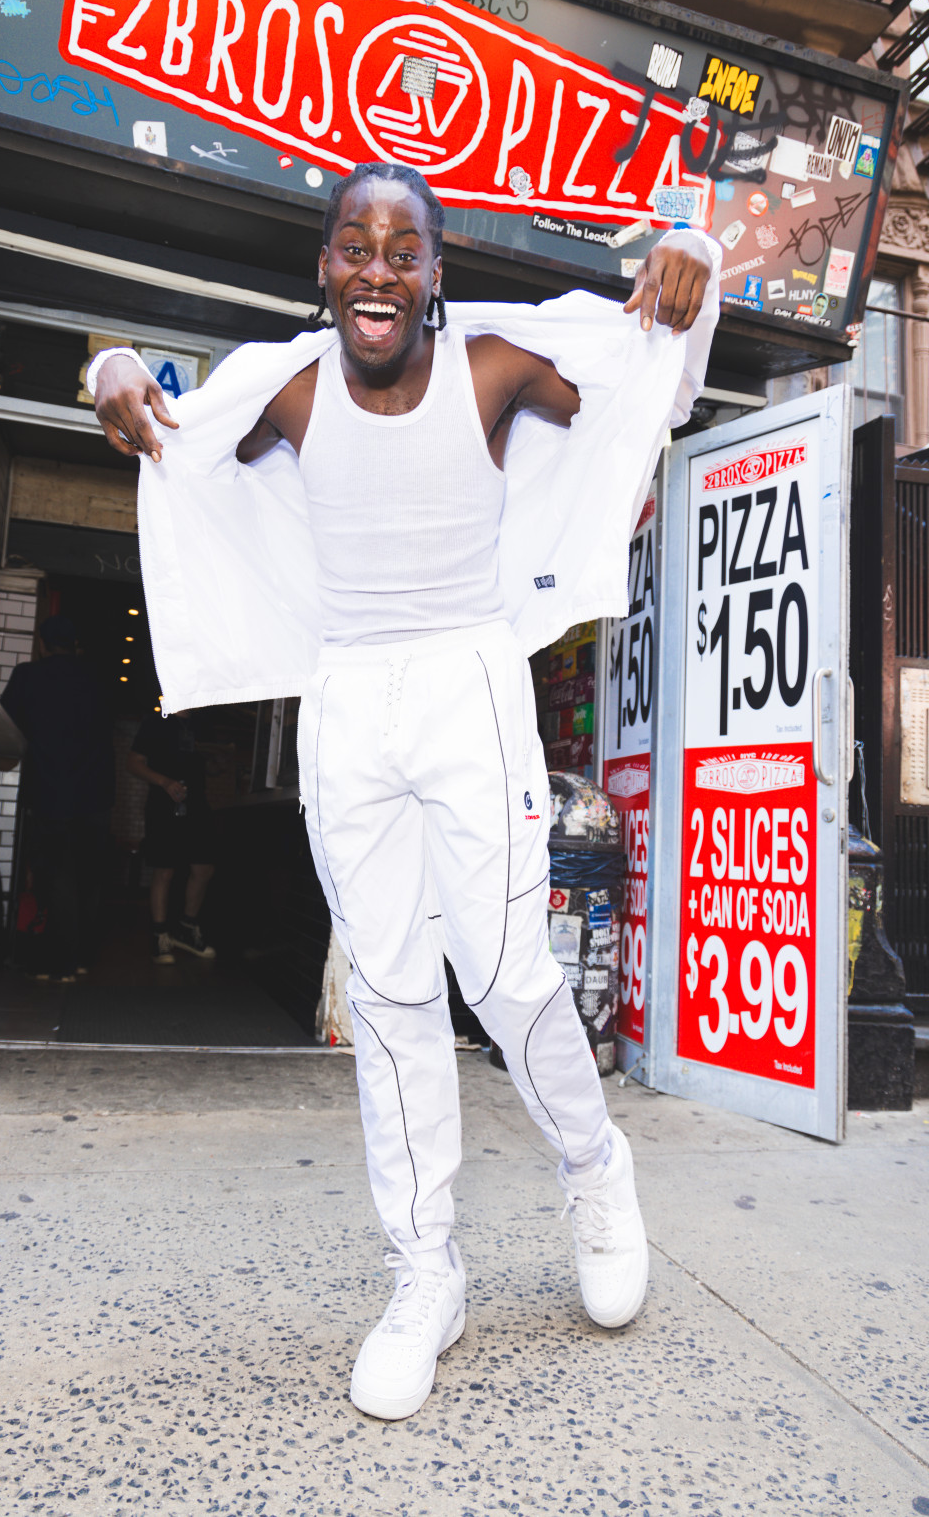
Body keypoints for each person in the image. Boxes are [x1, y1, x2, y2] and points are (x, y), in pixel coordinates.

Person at [90, 162, 721, 1421]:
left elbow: (647, 376)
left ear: (436, 273)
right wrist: (106, 365)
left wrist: (691, 260)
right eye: (354, 245)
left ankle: (595, 1167)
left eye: (403, 249)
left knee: (505, 972)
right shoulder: (290, 391)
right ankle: (426, 1272)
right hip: (347, 703)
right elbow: (168, 421)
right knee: (387, 993)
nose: (376, 268)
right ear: (322, 266)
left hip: (468, 684)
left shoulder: (494, 369)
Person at [0, 613, 114, 984]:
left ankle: (57, 962)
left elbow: (7, 725)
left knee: (55, 875)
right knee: (88, 877)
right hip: (96, 791)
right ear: (75, 645)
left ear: (43, 644)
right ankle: (82, 959)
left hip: (50, 788)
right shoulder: (97, 678)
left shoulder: (27, 676)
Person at [128, 708, 216, 964]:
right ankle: (160, 934)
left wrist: (217, 762)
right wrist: (164, 782)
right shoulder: (155, 721)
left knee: (204, 868)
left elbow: (209, 767)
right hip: (162, 803)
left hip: (196, 804)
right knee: (164, 870)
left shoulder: (203, 723)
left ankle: (187, 928)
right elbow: (133, 762)